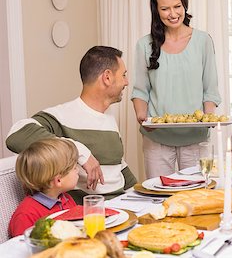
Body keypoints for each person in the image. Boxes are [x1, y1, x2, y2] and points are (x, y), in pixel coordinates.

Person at [6, 46, 137, 203]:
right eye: (123, 75)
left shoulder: (109, 120)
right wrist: (80, 152)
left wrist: (142, 196)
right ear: (107, 77)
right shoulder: (62, 116)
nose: (127, 82)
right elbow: (16, 135)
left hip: (122, 206)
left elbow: (118, 165)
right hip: (90, 213)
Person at [131, 0, 221, 178]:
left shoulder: (202, 41)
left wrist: (207, 120)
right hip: (157, 139)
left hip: (195, 137)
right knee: (159, 197)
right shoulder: (144, 45)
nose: (173, 14)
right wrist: (142, 117)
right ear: (156, 10)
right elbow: (140, 90)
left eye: (177, 6)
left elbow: (210, 89)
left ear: (184, 4)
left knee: (196, 197)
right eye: (165, 9)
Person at [9, 139, 79, 237]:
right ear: (58, 180)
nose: (78, 170)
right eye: (74, 168)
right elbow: (22, 248)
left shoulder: (66, 199)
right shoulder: (26, 215)